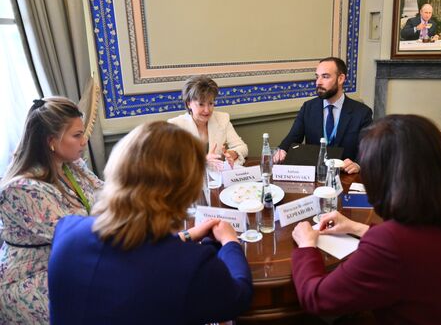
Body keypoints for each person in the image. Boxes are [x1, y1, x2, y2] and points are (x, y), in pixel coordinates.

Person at [291, 115, 441, 324]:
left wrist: (307, 246)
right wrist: (356, 227)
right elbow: (419, 251)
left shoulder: (391, 243)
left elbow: (317, 299)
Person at [48, 121, 253, 324]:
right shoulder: (191, 266)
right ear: (184, 190)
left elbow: (133, 255)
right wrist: (230, 242)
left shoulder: (66, 231)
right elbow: (238, 297)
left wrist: (186, 236)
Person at [0, 97, 103, 324]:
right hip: (33, 280)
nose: (84, 141)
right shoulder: (23, 190)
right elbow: (76, 238)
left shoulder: (72, 167)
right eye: (77, 135)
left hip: (71, 265)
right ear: (51, 141)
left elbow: (108, 198)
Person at [274, 57, 372, 174]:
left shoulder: (362, 112)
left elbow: (369, 150)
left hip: (346, 176)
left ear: (341, 79)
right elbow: (293, 138)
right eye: (317, 76)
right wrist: (282, 150)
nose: (318, 82)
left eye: (325, 76)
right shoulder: (308, 108)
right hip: (315, 176)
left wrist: (357, 164)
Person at [168, 75, 248, 168]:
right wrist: (204, 160)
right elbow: (171, 161)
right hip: (189, 180)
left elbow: (242, 147)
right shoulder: (175, 125)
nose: (207, 110)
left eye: (210, 103)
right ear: (189, 104)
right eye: (201, 104)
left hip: (217, 179)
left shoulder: (222, 119)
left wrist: (232, 153)